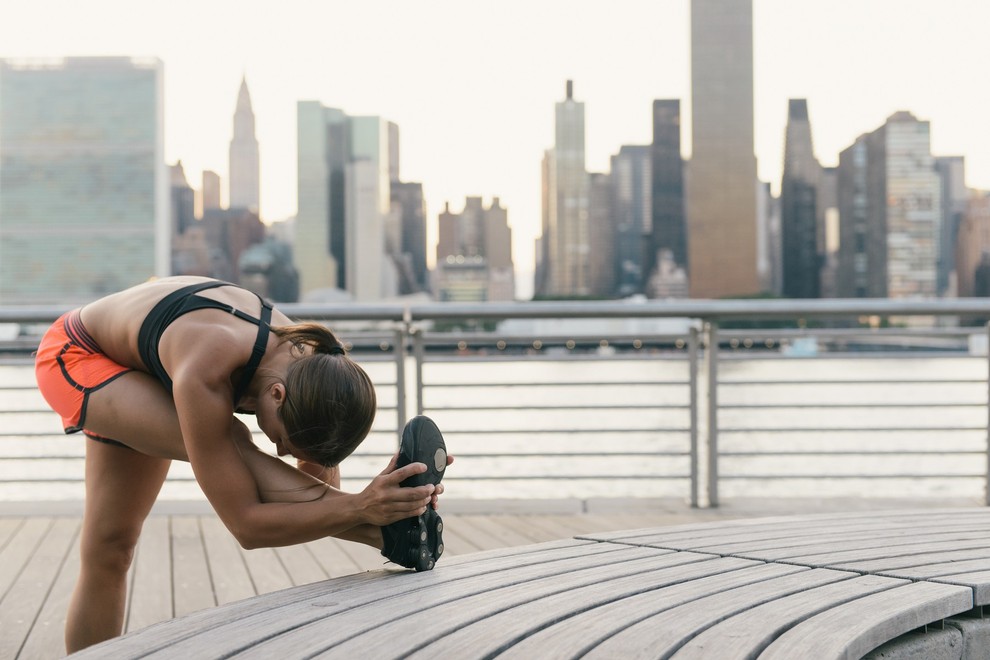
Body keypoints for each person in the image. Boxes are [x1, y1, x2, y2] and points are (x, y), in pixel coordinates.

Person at [33, 276, 450, 653]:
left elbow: (312, 488)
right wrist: (363, 507)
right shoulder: (208, 363)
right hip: (77, 354)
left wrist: (372, 498)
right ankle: (388, 531)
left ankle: (390, 529)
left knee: (111, 548)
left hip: (145, 361)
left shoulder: (313, 370)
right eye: (285, 442)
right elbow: (247, 525)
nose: (284, 453)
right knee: (233, 441)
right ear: (276, 395)